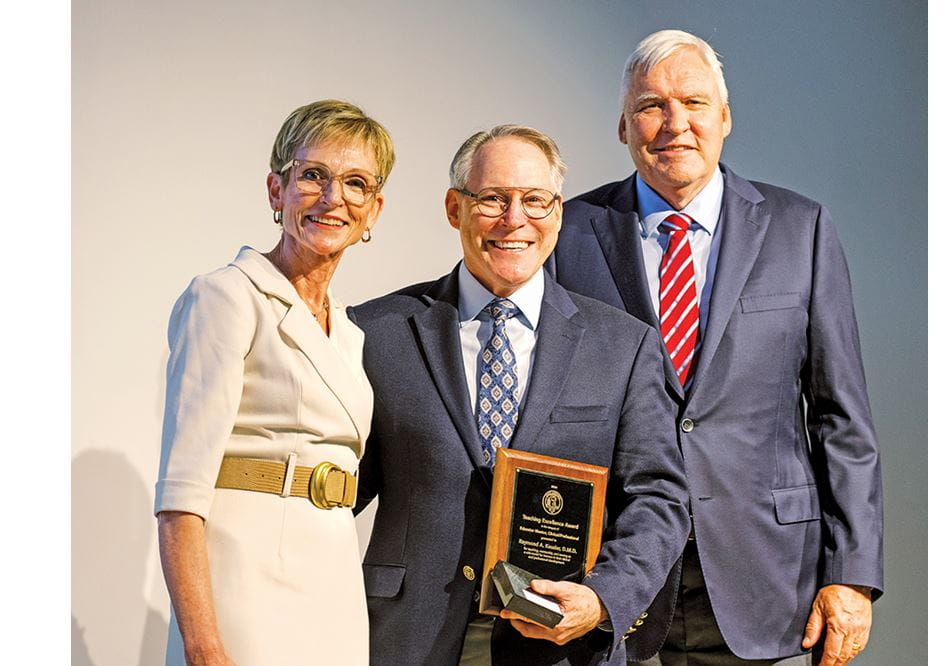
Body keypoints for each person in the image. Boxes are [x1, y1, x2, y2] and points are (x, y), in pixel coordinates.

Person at [548, 30, 884, 666]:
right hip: (615, 577)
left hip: (770, 578)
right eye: (651, 106)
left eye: (694, 103)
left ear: (725, 118)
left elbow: (843, 419)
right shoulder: (568, 235)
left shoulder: (800, 228)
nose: (675, 124)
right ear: (622, 127)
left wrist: (853, 574)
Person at [349, 125, 690, 665]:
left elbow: (659, 499)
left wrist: (604, 599)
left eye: (535, 200)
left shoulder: (623, 346)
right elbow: (335, 493)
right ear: (453, 207)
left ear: (557, 213)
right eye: (492, 199)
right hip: (408, 639)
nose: (515, 220)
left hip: (560, 648)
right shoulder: (376, 333)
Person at [154, 99, 393, 666]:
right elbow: (181, 495)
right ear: (275, 190)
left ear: (374, 210)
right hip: (245, 586)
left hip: (332, 585)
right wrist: (203, 642)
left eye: (356, 183)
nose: (334, 198)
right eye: (313, 175)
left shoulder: (351, 333)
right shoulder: (226, 296)